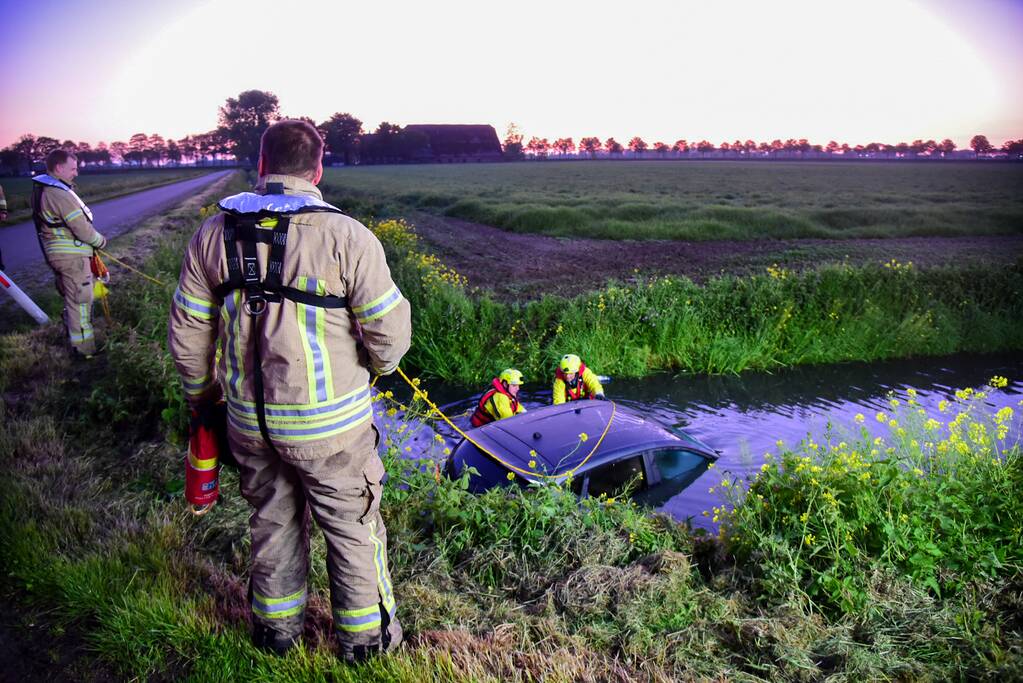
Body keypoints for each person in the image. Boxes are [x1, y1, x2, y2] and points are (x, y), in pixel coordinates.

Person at [167, 120, 412, 662]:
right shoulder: (349, 237)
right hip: (332, 430)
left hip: (247, 425)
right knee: (351, 527)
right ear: (318, 169)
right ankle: (364, 644)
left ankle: (276, 636)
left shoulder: (213, 233)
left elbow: (187, 335)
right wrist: (371, 369)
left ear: (261, 164)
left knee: (272, 522)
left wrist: (202, 399)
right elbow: (391, 340)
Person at [30, 151, 107, 358]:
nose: (76, 173)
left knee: (74, 301)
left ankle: (78, 346)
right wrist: (100, 241)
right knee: (81, 303)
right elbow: (81, 229)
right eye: (73, 168)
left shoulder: (46, 190)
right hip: (72, 259)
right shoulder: (59, 194)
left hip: (61, 257)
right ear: (58, 168)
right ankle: (85, 351)